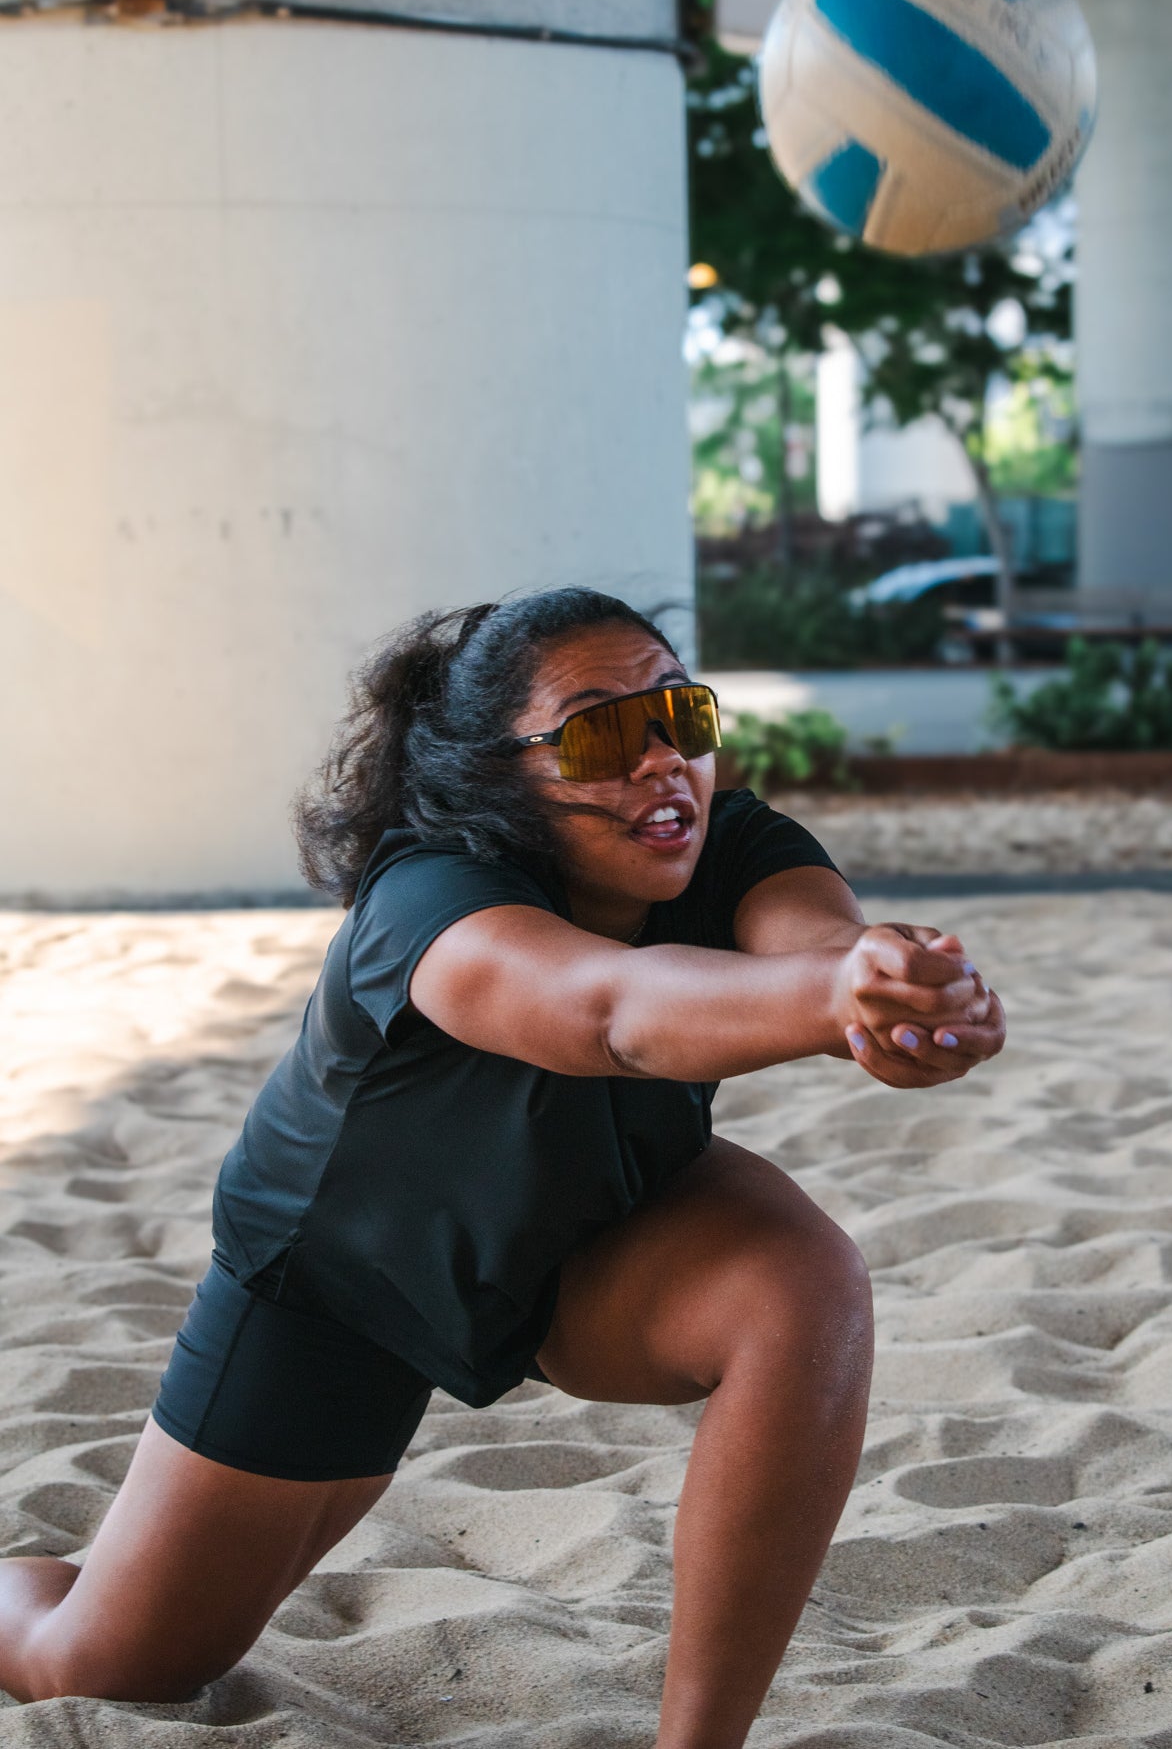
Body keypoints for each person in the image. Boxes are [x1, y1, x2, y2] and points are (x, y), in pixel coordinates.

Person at [0, 588, 1005, 1745]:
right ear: (498, 771)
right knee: (111, 1661)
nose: (662, 761)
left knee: (802, 1291)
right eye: (601, 734)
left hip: (586, 1231)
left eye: (681, 714)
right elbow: (609, 1012)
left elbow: (819, 943)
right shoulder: (431, 897)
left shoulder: (728, 841)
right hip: (339, 1288)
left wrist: (895, 989)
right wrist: (836, 997)